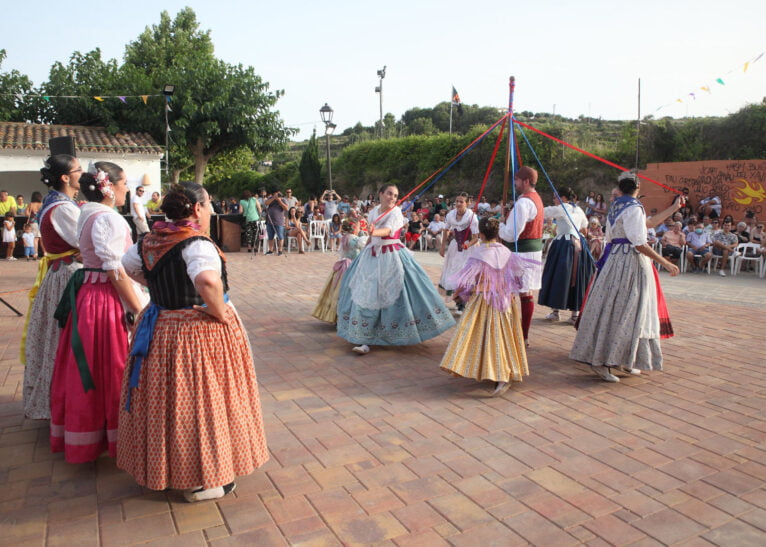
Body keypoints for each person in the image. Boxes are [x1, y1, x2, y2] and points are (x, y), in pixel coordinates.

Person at [118, 182, 268, 502]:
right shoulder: (196, 243)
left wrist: (161, 290)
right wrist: (219, 312)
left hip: (160, 327)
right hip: (194, 332)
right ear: (197, 209)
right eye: (209, 203)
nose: (211, 209)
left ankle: (172, 469)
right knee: (202, 403)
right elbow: (207, 279)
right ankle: (206, 480)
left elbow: (130, 267)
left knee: (167, 402)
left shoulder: (150, 239)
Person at [49, 163, 146, 463]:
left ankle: (90, 434)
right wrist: (138, 308)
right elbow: (115, 271)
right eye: (124, 184)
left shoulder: (86, 212)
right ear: (108, 187)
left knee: (89, 366)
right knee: (114, 366)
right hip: (105, 298)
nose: (127, 189)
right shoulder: (108, 219)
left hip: (88, 296)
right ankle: (119, 437)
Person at [570, 172, 679, 382]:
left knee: (617, 308)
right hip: (629, 261)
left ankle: (621, 359)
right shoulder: (634, 208)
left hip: (615, 259)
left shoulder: (618, 207)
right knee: (627, 310)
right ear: (637, 189)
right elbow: (639, 241)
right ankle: (604, 360)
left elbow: (645, 225)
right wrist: (664, 262)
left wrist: (673, 208)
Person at [336, 184, 455, 354]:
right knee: (366, 293)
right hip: (372, 256)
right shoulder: (374, 211)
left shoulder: (397, 212)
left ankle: (392, 333)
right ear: (381, 194)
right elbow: (372, 236)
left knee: (402, 293)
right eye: (389, 194)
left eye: (395, 195)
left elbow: (388, 231)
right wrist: (365, 249)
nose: (392, 197)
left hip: (392, 256)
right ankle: (364, 339)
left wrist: (374, 232)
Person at [21, 155, 83, 419]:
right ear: (65, 178)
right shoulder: (64, 209)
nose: (83, 173)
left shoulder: (54, 203)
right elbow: (85, 240)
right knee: (69, 340)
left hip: (58, 273)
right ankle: (68, 404)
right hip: (68, 276)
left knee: (55, 339)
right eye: (78, 170)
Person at [439, 217, 529, 396]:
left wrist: (457, 293)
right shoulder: (506, 252)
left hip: (484, 300)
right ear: (497, 234)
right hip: (504, 300)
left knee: (483, 334)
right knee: (502, 336)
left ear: (480, 234)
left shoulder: (479, 253)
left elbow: (467, 279)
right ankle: (501, 371)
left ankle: (495, 372)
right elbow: (518, 277)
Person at [499, 166, 544, 346]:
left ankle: (516, 335)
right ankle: (521, 335)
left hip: (521, 253)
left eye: (517, 180)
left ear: (526, 181)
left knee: (512, 292)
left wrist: (498, 226)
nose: (515, 183)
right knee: (525, 292)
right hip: (531, 253)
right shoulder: (536, 198)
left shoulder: (524, 202)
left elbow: (511, 234)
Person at [539, 188, 593, 324]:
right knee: (576, 277)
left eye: (555, 197)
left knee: (559, 276)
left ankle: (556, 312)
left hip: (564, 245)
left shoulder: (561, 208)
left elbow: (542, 212)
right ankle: (574, 314)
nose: (554, 200)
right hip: (579, 245)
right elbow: (585, 229)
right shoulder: (579, 210)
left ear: (562, 197)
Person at [313, 219, 368, 323]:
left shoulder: (344, 238)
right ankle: (348, 316)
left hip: (343, 266)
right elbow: (364, 247)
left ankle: (335, 316)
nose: (360, 229)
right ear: (354, 228)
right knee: (349, 292)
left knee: (338, 291)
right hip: (352, 267)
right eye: (359, 227)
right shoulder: (356, 240)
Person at [439, 193, 479, 314]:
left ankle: (463, 302)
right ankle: (458, 301)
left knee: (465, 274)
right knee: (453, 272)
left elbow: (476, 237)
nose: (458, 204)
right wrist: (442, 247)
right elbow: (446, 230)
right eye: (457, 201)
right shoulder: (451, 215)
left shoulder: (471, 217)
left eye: (461, 201)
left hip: (469, 247)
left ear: (467, 203)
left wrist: (468, 245)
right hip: (455, 247)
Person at [265, 190, 288, 255]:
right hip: (270, 221)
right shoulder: (270, 198)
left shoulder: (283, 199)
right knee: (270, 236)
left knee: (280, 236)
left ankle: (280, 251)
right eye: (275, 193)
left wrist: (279, 200)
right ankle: (270, 250)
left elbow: (286, 208)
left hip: (279, 221)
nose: (276, 195)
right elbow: (266, 203)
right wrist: (273, 198)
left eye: (278, 194)